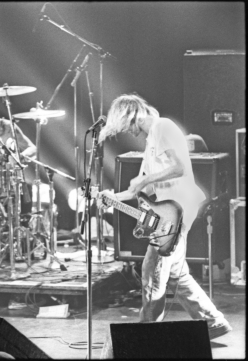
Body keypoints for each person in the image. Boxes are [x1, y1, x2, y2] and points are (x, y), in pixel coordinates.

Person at [97, 93, 232, 339]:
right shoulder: (150, 142)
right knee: (177, 275)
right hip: (169, 211)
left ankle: (146, 335)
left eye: (127, 125)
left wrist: (146, 178)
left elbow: (180, 167)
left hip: (177, 210)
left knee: (152, 270)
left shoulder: (163, 127)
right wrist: (113, 197)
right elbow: (141, 190)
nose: (128, 131)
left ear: (134, 114)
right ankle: (213, 322)